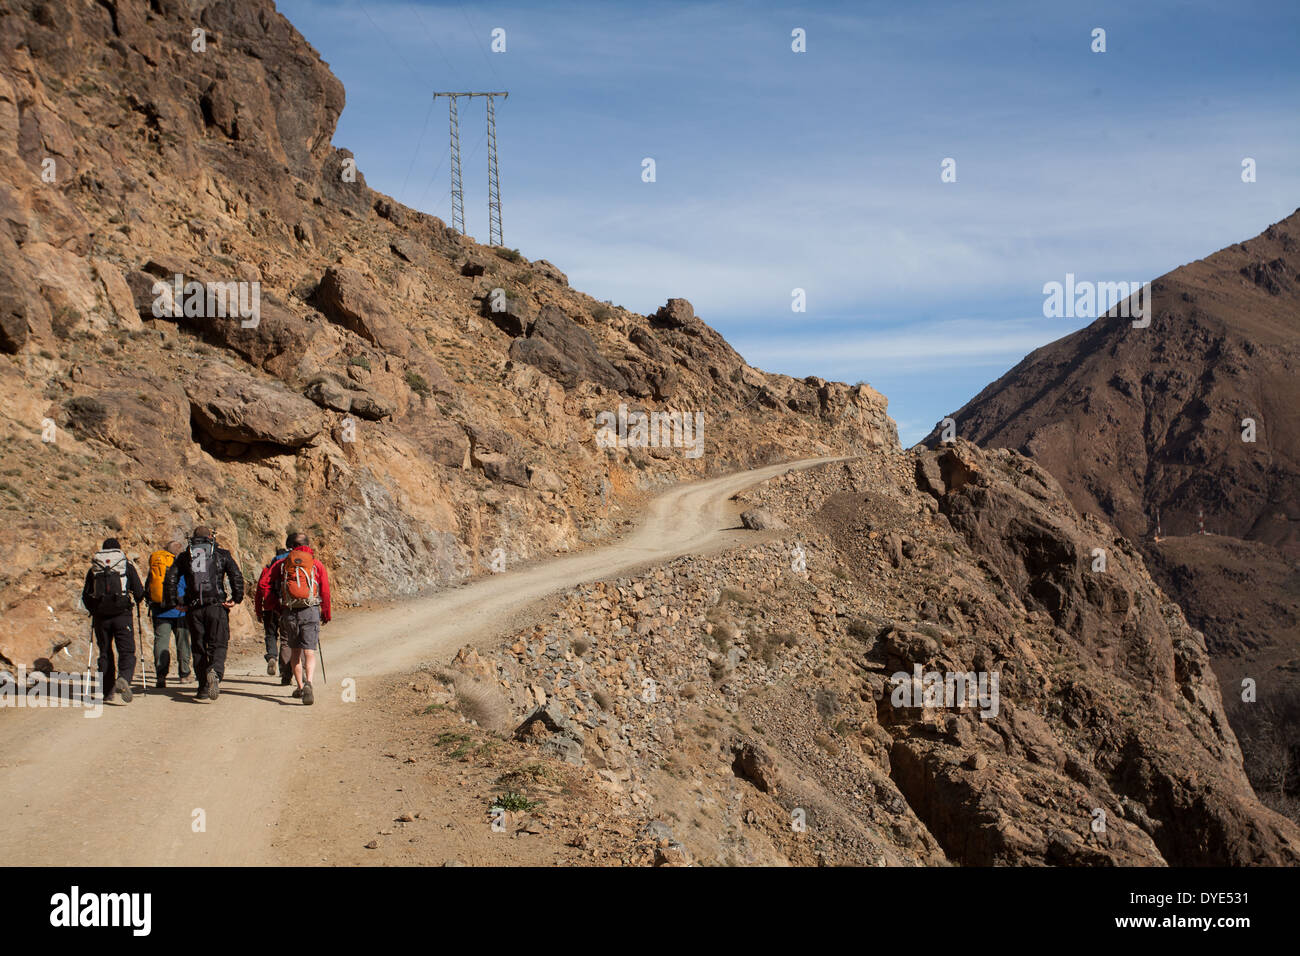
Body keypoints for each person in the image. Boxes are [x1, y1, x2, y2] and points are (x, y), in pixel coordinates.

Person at [163, 526, 244, 702]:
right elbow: (236, 576)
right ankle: (214, 671)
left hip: (194, 609)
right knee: (219, 644)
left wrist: (175, 602)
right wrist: (236, 598)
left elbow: (171, 579)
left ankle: (202, 688)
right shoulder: (221, 554)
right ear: (210, 537)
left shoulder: (185, 556)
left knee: (198, 647)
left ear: (193, 539)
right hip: (216, 606)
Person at [268, 532, 331, 706]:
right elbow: (324, 591)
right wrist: (326, 613)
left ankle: (300, 686)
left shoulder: (282, 564)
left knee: (295, 652)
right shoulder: (315, 564)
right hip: (310, 611)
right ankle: (309, 681)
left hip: (289, 612)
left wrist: (274, 608)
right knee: (309, 652)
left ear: (290, 546)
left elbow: (268, 585)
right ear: (308, 545)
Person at [82, 537, 145, 704]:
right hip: (122, 614)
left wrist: (94, 610)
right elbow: (139, 592)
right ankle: (124, 678)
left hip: (101, 617)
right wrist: (136, 600)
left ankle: (106, 692)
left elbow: (86, 595)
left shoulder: (95, 569)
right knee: (126, 650)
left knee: (104, 652)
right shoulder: (125, 566)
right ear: (119, 549)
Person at [146, 539, 192, 688]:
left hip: (160, 611)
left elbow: (148, 587)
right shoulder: (180, 565)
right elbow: (188, 587)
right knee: (183, 643)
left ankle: (161, 676)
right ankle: (184, 674)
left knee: (161, 643)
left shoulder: (156, 566)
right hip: (180, 611)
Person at [255, 542, 291, 683]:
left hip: (269, 608)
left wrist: (259, 611)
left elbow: (259, 592)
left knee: (270, 634)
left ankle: (271, 657)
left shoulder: (267, 570)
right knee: (285, 639)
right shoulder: (287, 570)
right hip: (283, 608)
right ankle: (284, 671)